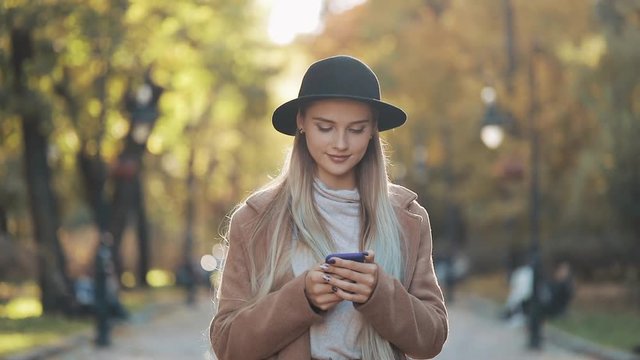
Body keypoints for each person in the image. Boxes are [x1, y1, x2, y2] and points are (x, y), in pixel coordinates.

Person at [209, 55, 449, 360]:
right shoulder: (255, 220)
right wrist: (302, 298)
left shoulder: (408, 218)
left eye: (356, 129)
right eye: (325, 127)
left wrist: (380, 293)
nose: (340, 143)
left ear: (374, 128)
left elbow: (432, 340)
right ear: (301, 122)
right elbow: (227, 345)